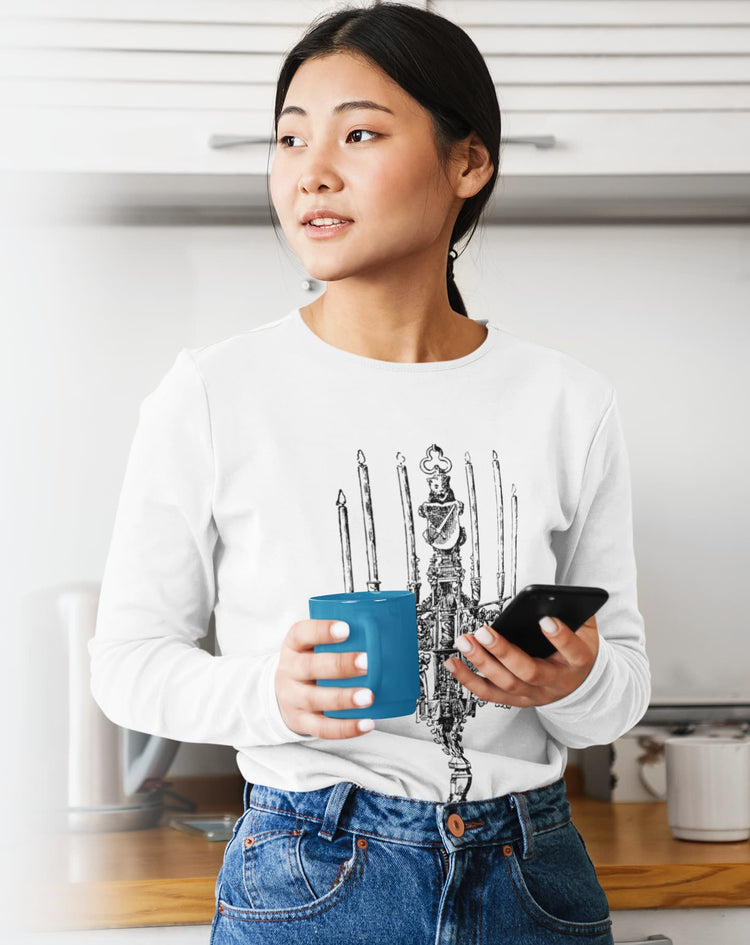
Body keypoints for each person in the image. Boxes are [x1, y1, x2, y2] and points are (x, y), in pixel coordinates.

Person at [90, 4, 650, 943]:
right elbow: (126, 667)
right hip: (312, 869)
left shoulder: (569, 400)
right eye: (289, 138)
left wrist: (570, 686)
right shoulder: (214, 392)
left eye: (358, 134)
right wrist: (269, 694)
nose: (311, 170)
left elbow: (621, 686)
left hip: (533, 877)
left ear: (468, 163)